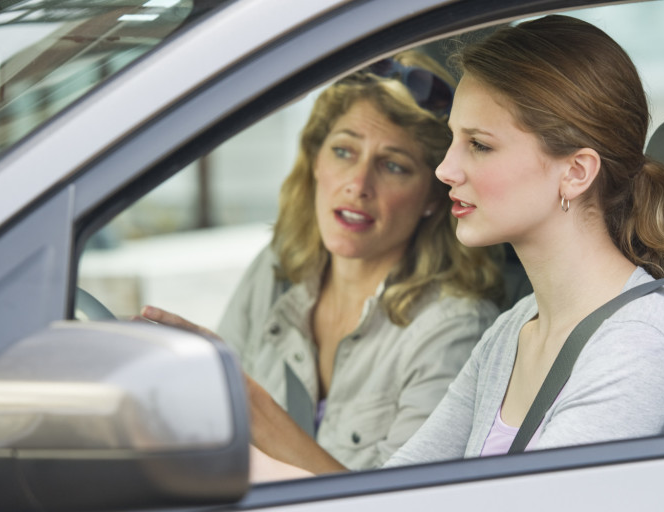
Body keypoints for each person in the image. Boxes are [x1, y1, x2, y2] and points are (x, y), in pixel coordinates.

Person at [381, 15, 664, 465]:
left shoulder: (639, 343)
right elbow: (402, 484)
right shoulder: (514, 329)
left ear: (575, 173)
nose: (445, 170)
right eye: (454, 139)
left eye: (480, 145)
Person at [142, 50, 504, 473]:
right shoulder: (279, 269)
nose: (358, 184)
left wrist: (255, 408)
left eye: (393, 166)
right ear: (316, 161)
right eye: (344, 152)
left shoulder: (453, 329)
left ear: (431, 196)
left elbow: (395, 505)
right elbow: (211, 423)